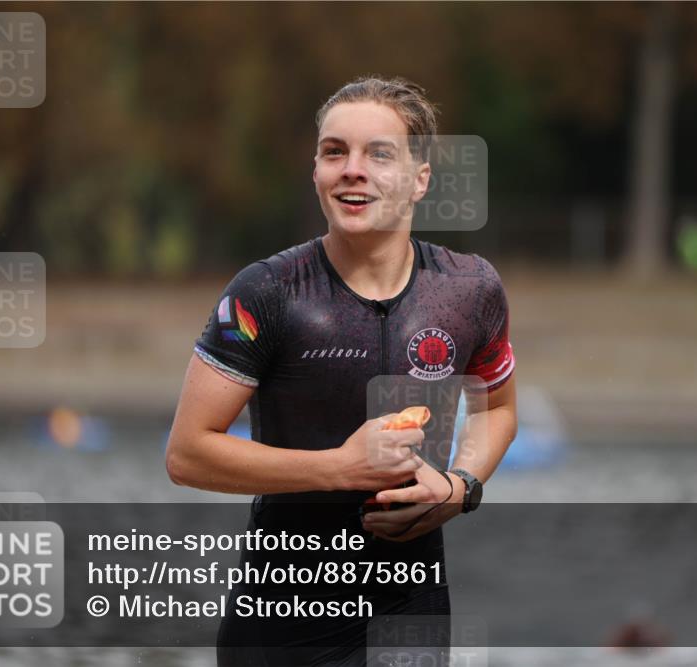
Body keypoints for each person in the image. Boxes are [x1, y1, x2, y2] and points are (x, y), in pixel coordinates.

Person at [166, 75, 518, 666]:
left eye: (379, 153)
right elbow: (187, 454)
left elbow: (499, 408)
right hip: (284, 624)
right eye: (335, 151)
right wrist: (339, 468)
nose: (352, 169)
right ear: (317, 172)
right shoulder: (268, 292)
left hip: (413, 612)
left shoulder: (469, 289)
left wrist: (461, 487)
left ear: (419, 180)